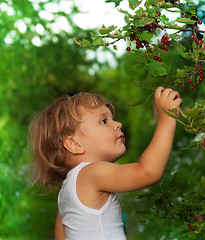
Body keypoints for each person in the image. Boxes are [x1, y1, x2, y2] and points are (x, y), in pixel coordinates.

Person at [28, 87, 182, 240]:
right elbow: (148, 172)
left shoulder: (64, 195)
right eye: (104, 121)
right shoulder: (91, 172)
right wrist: (166, 119)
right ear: (75, 144)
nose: (118, 124)